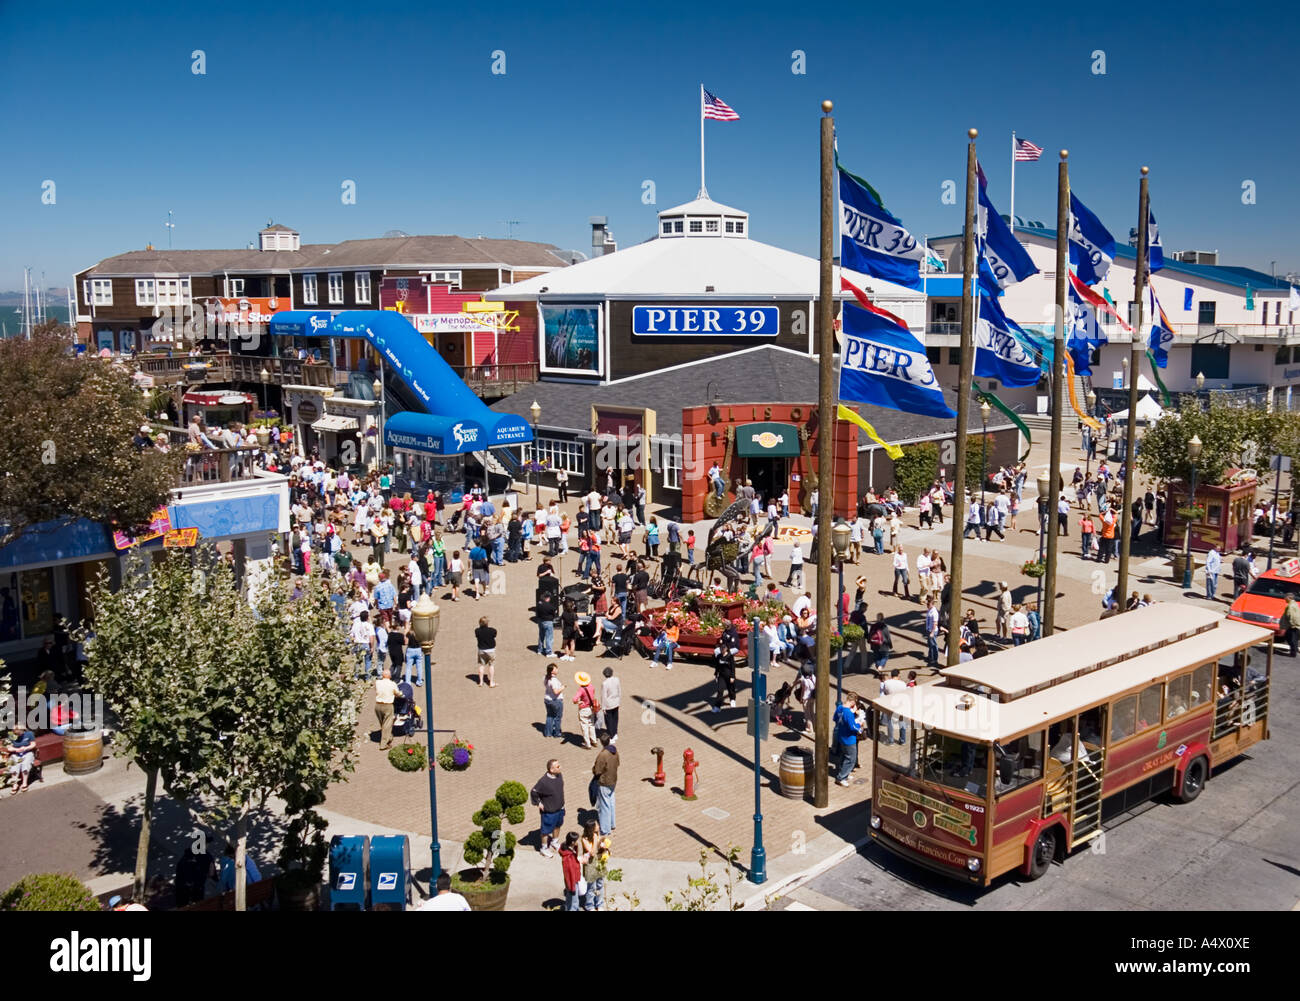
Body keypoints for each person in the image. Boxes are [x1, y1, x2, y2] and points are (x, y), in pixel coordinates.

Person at [530, 759, 565, 857]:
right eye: (558, 766)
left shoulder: (559, 775)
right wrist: (538, 803)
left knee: (558, 825)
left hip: (560, 808)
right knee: (545, 830)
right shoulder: (543, 781)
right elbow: (534, 792)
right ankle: (544, 848)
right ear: (551, 770)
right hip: (549, 811)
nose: (560, 767)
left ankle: (554, 841)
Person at [580, 820, 611, 911]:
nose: (598, 826)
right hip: (590, 865)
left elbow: (600, 847)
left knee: (600, 884)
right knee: (591, 887)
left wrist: (604, 846)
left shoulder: (598, 835)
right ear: (592, 828)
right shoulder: (584, 839)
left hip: (599, 863)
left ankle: (599, 903)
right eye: (596, 825)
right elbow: (592, 852)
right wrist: (595, 838)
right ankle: (590, 905)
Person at [592, 731, 618, 835]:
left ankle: (605, 829)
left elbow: (597, 770)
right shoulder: (615, 751)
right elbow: (618, 763)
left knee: (604, 806)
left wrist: (593, 770)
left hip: (604, 781)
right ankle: (612, 823)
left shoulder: (602, 755)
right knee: (611, 801)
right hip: (613, 779)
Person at [834, 693, 862, 786]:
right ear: (853, 702)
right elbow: (853, 727)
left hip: (841, 735)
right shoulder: (848, 713)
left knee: (844, 755)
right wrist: (860, 725)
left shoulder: (839, 708)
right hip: (849, 739)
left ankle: (844, 773)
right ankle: (841, 777)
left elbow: (835, 718)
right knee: (851, 758)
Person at [374, 667, 400, 749]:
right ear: (390, 676)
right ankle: (383, 744)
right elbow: (398, 693)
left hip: (378, 705)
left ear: (382, 675)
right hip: (388, 705)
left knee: (383, 724)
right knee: (387, 725)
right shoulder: (392, 684)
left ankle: (389, 736)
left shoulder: (377, 682)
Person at [573, 672, 600, 749]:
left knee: (584, 726)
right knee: (591, 724)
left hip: (584, 709)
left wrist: (579, 702)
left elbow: (574, 700)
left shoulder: (581, 689)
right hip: (591, 708)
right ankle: (594, 741)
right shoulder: (591, 686)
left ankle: (587, 744)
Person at [559, 831, 583, 911]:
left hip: (571, 881)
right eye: (576, 840)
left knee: (570, 898)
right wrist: (572, 888)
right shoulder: (568, 858)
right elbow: (570, 873)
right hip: (572, 881)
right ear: (572, 842)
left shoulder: (569, 850)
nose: (578, 842)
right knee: (574, 900)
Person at [543, 663, 566, 738]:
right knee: (557, 717)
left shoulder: (546, 678)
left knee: (549, 716)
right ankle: (557, 733)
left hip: (547, 699)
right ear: (552, 671)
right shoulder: (554, 680)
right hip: (555, 700)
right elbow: (556, 692)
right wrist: (562, 687)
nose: (557, 669)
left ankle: (548, 732)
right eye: (555, 669)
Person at [474, 616, 498, 687]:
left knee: (482, 665)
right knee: (491, 665)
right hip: (490, 650)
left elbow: (477, 635)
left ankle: (481, 682)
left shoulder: (477, 631)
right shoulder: (492, 630)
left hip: (481, 650)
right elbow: (494, 635)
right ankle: (491, 682)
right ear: (487, 623)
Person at [601, 666, 621, 740]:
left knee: (609, 721)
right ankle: (615, 733)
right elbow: (619, 690)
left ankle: (611, 735)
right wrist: (619, 701)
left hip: (608, 705)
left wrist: (603, 707)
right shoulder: (617, 679)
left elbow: (604, 696)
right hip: (616, 702)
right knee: (615, 718)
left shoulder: (605, 683)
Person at [924, 595, 940, 667]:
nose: (927, 605)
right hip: (928, 629)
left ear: (932, 604)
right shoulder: (929, 610)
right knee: (930, 644)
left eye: (928, 604)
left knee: (933, 645)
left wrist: (932, 632)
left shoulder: (934, 612)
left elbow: (935, 623)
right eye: (927, 603)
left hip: (932, 631)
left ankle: (935, 659)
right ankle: (930, 656)